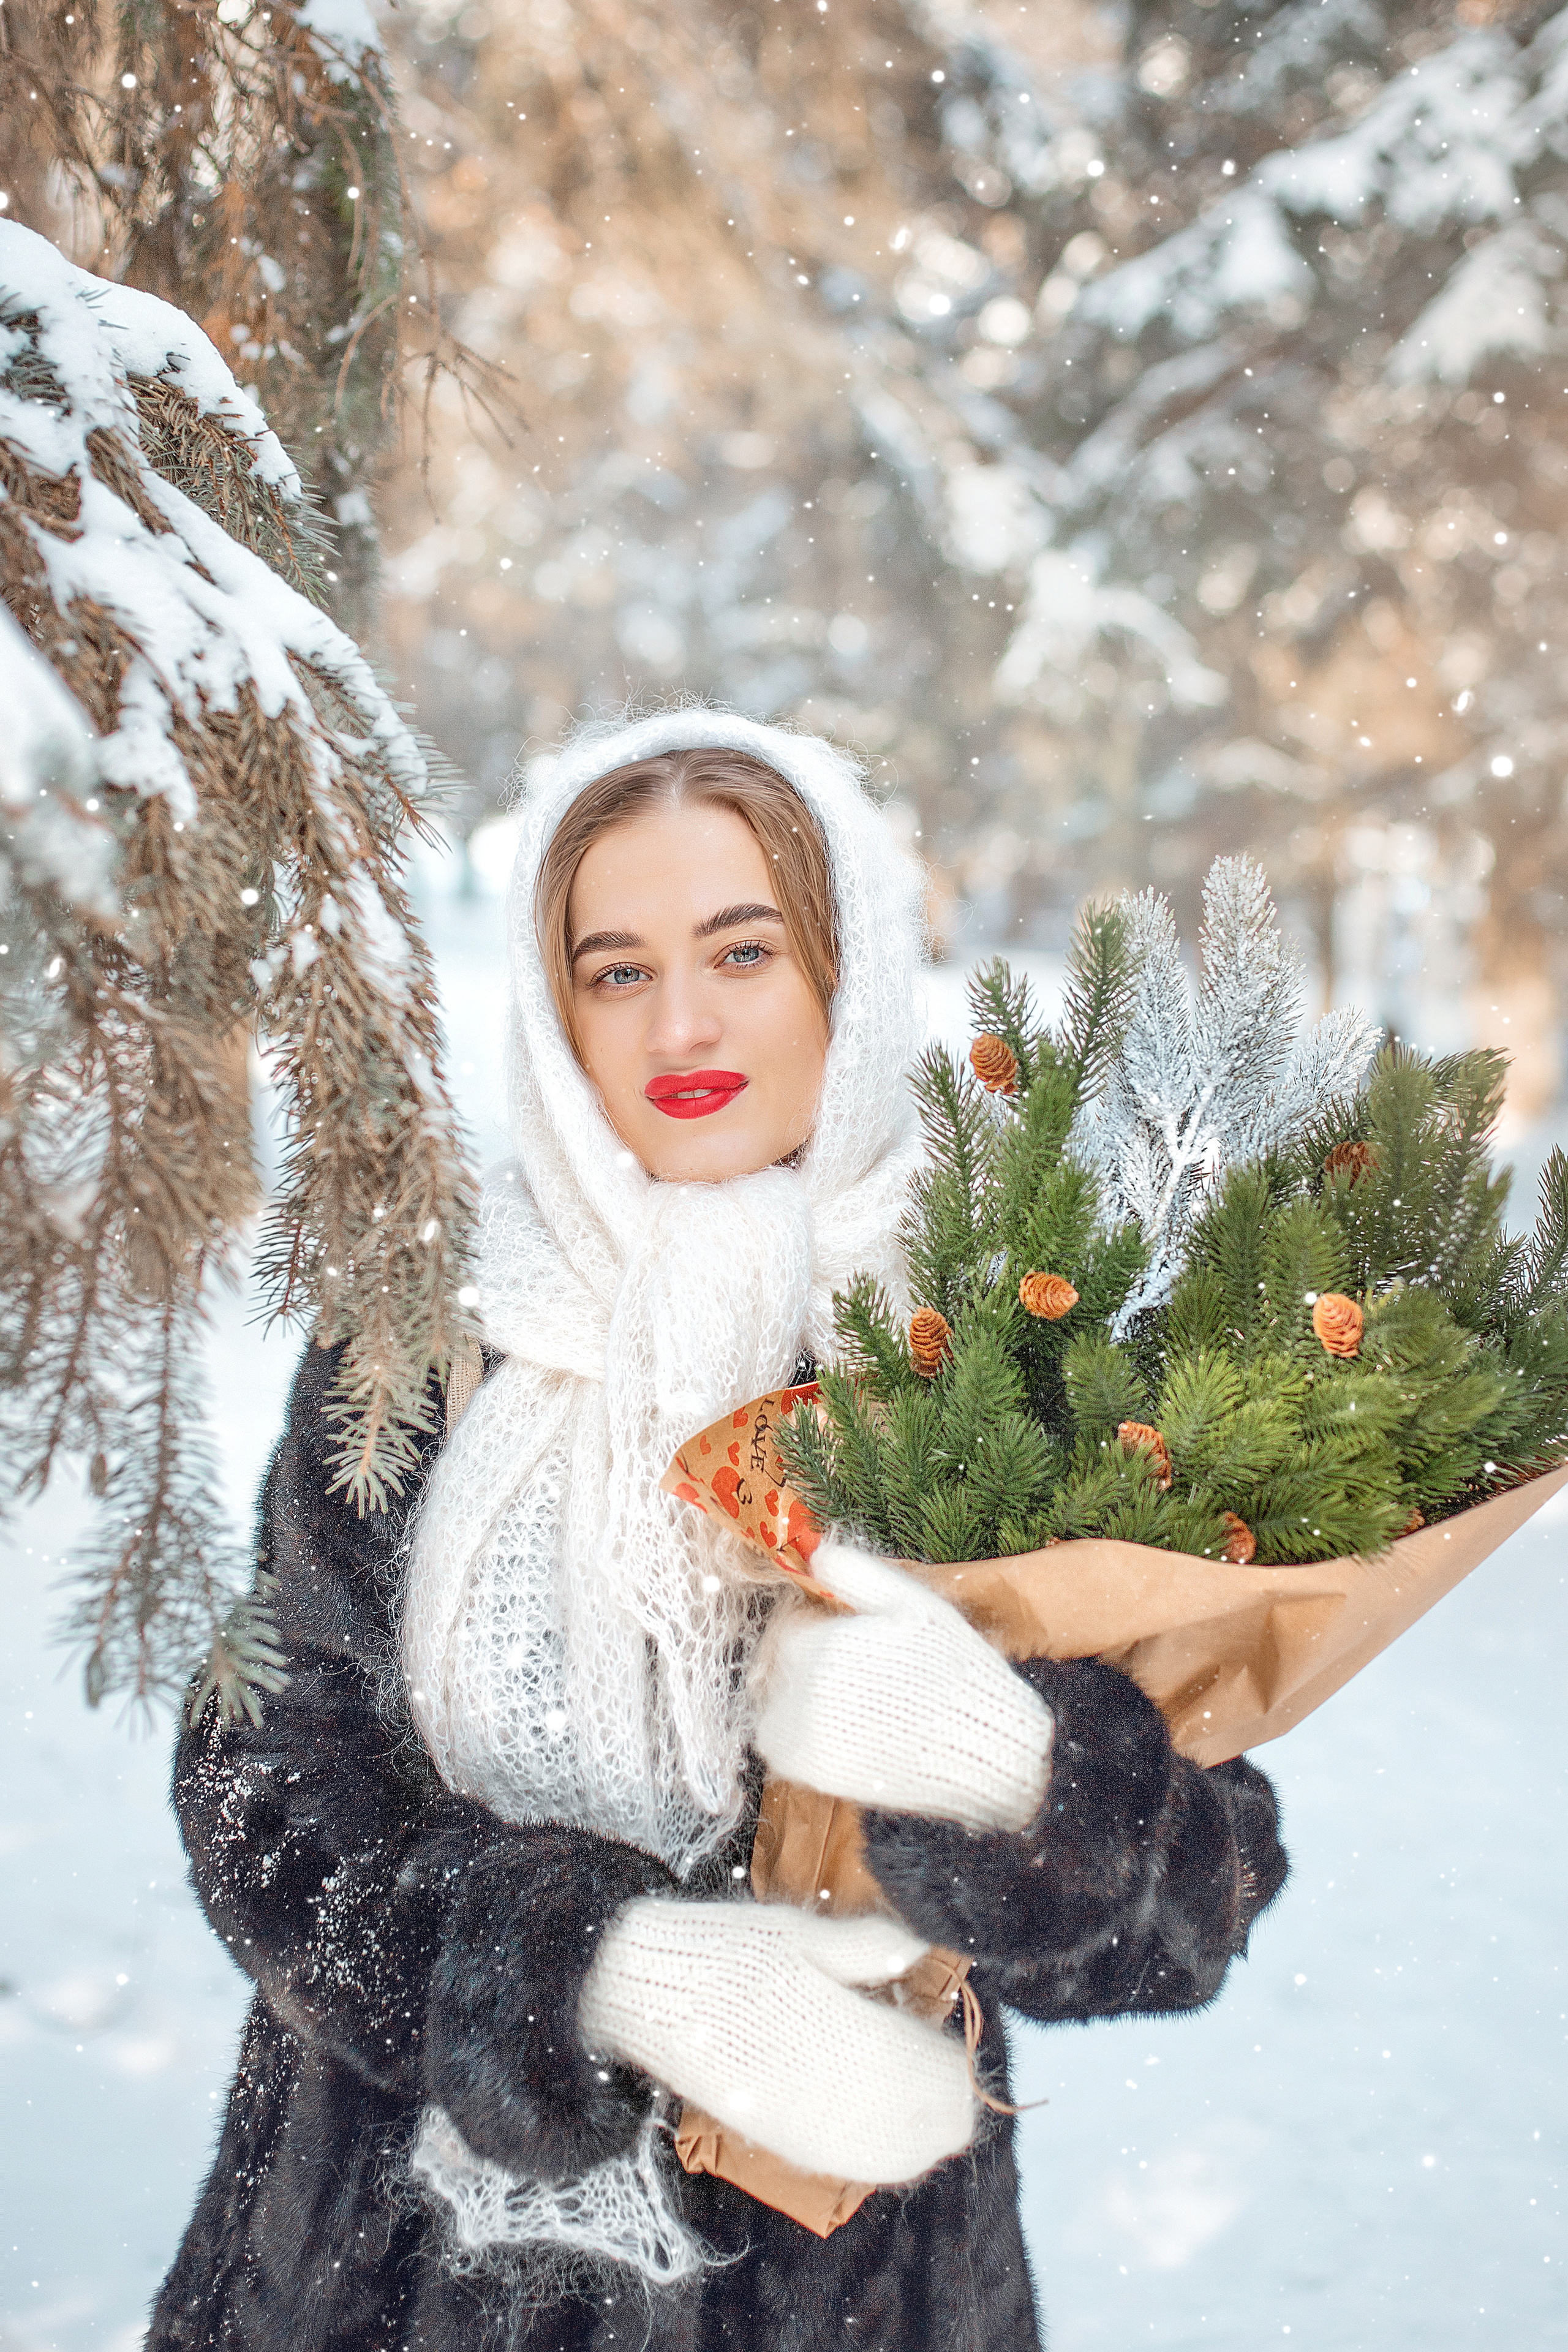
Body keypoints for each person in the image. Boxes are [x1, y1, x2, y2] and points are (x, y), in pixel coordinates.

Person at [149, 710, 1287, 2352]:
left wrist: (1026, 1782)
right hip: (384, 2277)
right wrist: (591, 1974)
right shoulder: (427, 1336)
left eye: (742, 950)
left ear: (850, 968)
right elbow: (265, 1792)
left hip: (848, 2291)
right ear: (558, 1012)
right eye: (615, 970)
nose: (679, 1019)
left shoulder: (998, 1352)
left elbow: (1198, 1906)